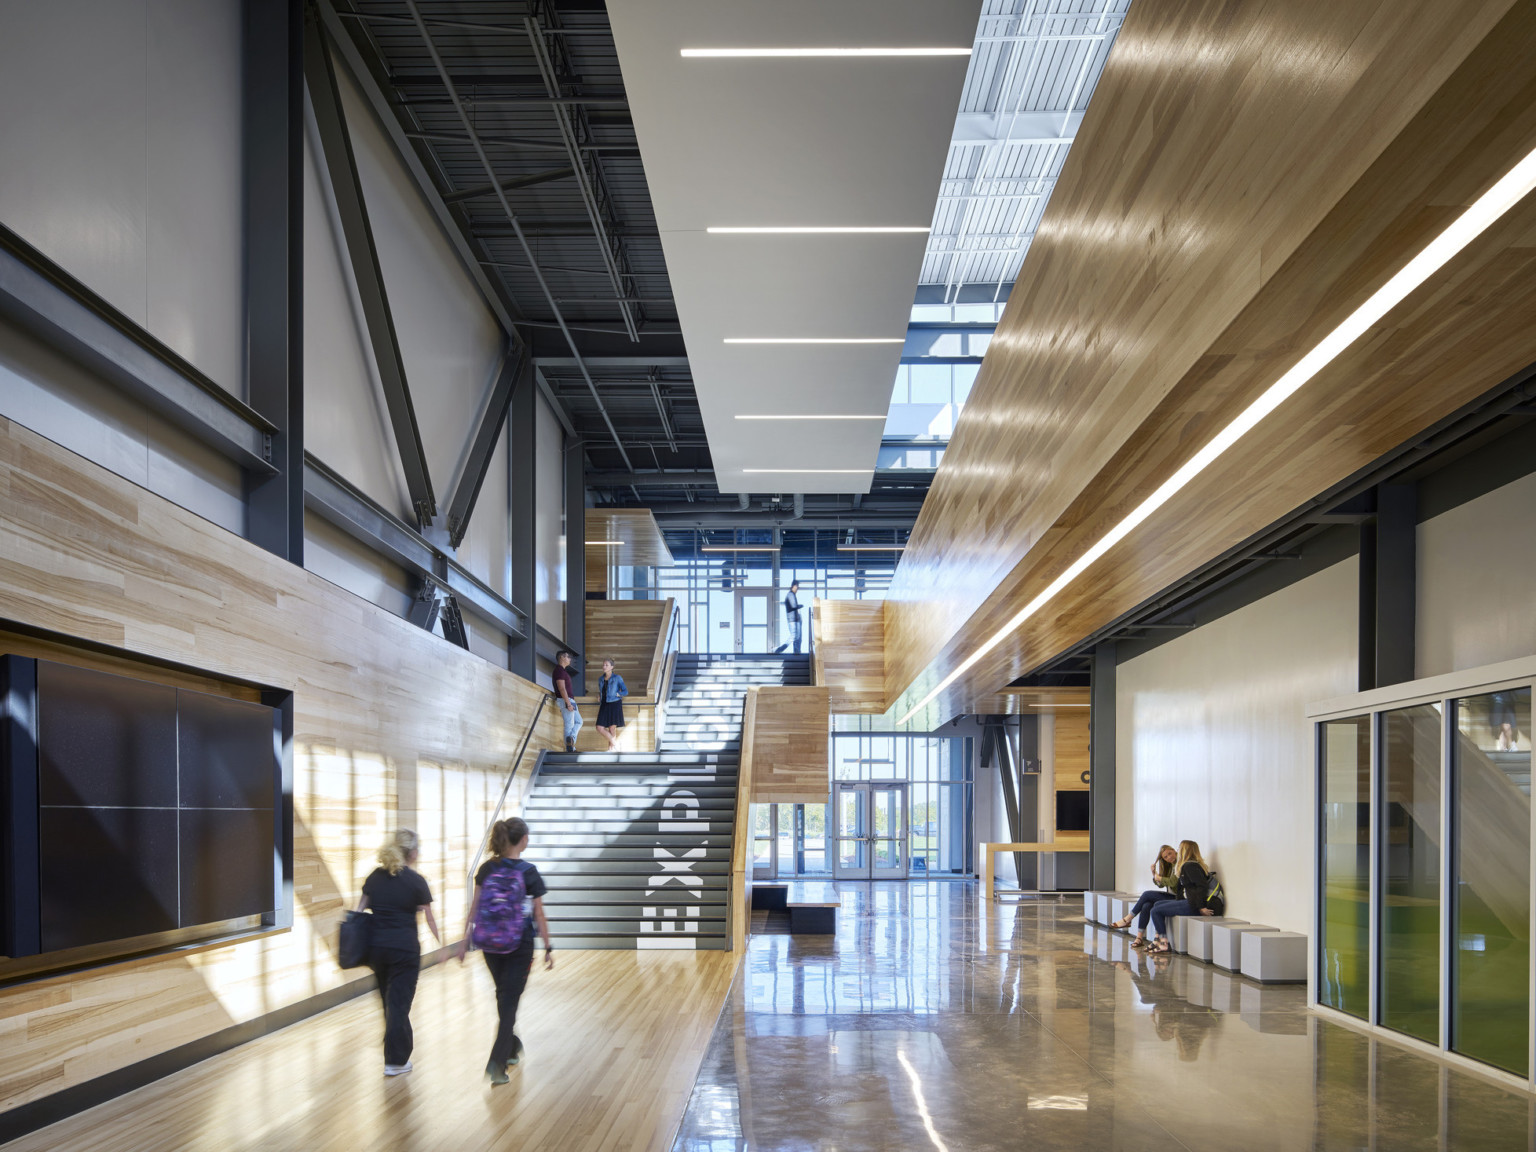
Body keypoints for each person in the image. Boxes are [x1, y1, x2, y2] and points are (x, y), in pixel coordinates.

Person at [458, 817, 553, 1085]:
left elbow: (475, 907)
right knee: (509, 1002)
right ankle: (497, 1064)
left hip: (489, 944)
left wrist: (465, 940)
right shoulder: (529, 871)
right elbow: (539, 913)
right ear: (522, 840)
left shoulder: (487, 869)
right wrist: (547, 947)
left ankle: (511, 1048)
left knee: (504, 998)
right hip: (519, 944)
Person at [358, 828, 440, 1076]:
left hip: (378, 950)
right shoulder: (416, 881)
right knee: (399, 1004)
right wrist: (442, 946)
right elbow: (429, 918)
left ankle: (395, 1051)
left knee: (389, 1002)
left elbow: (359, 911)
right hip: (404, 952)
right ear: (413, 853)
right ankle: (395, 1060)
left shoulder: (374, 878)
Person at [1149, 839, 1225, 953]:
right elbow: (1183, 889)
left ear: (1185, 851)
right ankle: (1159, 940)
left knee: (1155, 911)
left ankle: (1164, 943)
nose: (1178, 851)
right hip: (1192, 901)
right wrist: (1177, 903)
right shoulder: (1188, 865)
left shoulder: (1189, 866)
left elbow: (1201, 887)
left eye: (1180, 848)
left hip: (1197, 905)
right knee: (1157, 904)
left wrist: (1201, 907)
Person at [1111, 844, 1181, 948]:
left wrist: (1160, 878)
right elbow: (1161, 885)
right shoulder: (1170, 866)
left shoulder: (1180, 864)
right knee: (1146, 905)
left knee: (1147, 894)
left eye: (1170, 854)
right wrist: (1154, 874)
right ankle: (1139, 938)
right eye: (1165, 857)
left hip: (1178, 898)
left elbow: (1173, 883)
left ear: (1174, 851)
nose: (1169, 857)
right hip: (1170, 896)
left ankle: (1127, 919)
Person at [594, 658, 627, 752]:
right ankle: (616, 744)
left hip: (615, 703)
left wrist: (619, 694)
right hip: (604, 704)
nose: (604, 667)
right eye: (603, 665)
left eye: (606, 665)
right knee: (599, 727)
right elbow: (603, 691)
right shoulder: (600, 679)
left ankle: (610, 750)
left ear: (612, 667)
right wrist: (599, 695)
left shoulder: (617, 678)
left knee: (612, 728)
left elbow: (625, 691)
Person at [553, 648, 582, 752]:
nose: (570, 659)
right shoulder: (559, 670)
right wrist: (568, 703)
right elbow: (561, 688)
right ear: (562, 657)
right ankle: (570, 749)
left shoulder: (563, 671)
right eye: (568, 656)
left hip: (570, 700)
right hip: (566, 700)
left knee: (579, 721)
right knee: (569, 724)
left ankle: (571, 740)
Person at [783, 580, 803, 654]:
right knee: (794, 636)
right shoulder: (790, 595)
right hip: (793, 620)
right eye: (797, 586)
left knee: (797, 637)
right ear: (794, 586)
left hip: (795, 619)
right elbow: (794, 606)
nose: (798, 588)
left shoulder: (792, 595)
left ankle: (796, 651)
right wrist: (800, 606)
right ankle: (778, 649)